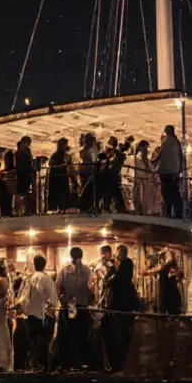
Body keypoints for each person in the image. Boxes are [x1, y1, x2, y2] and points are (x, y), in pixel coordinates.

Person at [102, 243, 138, 371]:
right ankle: (119, 360)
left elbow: (116, 279)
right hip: (120, 304)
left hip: (121, 304)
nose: (117, 256)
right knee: (120, 333)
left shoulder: (125, 265)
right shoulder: (119, 266)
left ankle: (120, 361)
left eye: (118, 254)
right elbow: (109, 279)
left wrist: (111, 273)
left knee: (121, 333)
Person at [56, 246, 93, 370]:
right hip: (83, 305)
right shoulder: (87, 270)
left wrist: (62, 299)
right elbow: (91, 288)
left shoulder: (65, 270)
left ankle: (71, 362)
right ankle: (80, 361)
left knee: (71, 332)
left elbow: (57, 287)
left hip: (71, 305)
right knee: (81, 333)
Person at [17, 253, 56, 371]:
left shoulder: (29, 278)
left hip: (31, 314)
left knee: (32, 340)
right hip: (43, 315)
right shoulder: (47, 279)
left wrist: (20, 306)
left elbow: (24, 296)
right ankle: (41, 365)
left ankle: (31, 364)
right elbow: (52, 299)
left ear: (34, 264)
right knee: (43, 341)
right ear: (44, 265)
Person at [158, 125, 184, 218]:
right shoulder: (176, 142)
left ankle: (171, 212)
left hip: (167, 172)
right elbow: (180, 156)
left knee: (168, 193)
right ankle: (176, 212)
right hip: (173, 172)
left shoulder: (167, 142)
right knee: (174, 192)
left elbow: (161, 156)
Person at [47, 138, 72, 213]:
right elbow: (59, 165)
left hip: (60, 179)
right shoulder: (57, 155)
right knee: (60, 199)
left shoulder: (57, 155)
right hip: (59, 180)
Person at [15, 136, 36, 215]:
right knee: (22, 192)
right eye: (28, 143)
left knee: (26, 192)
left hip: (27, 174)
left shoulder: (26, 151)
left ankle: (26, 210)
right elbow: (22, 164)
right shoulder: (20, 152)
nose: (29, 145)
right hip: (22, 174)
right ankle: (20, 210)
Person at [78, 134, 98, 212]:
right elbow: (92, 163)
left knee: (85, 192)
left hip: (85, 174)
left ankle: (85, 207)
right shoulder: (89, 152)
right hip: (88, 175)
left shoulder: (83, 152)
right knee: (87, 193)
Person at [0, 148, 14, 218]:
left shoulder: (9, 168)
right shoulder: (8, 168)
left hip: (8, 184)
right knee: (8, 199)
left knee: (8, 198)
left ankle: (7, 212)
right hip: (8, 184)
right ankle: (7, 212)